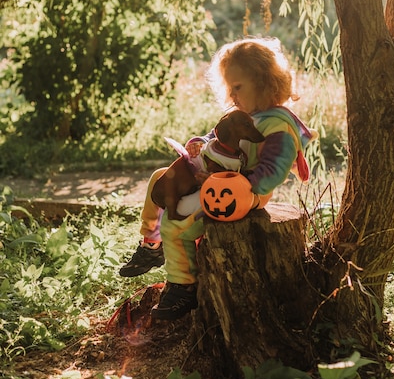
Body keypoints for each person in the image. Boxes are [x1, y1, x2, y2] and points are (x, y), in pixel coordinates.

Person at [120, 37, 316, 320]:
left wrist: (235, 183)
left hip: (243, 193)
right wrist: (199, 143)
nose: (233, 95)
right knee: (160, 179)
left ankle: (183, 286)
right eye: (230, 88)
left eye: (238, 87)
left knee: (177, 222)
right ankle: (151, 245)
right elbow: (216, 138)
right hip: (217, 178)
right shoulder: (242, 114)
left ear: (264, 82)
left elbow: (273, 171)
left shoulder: (277, 126)